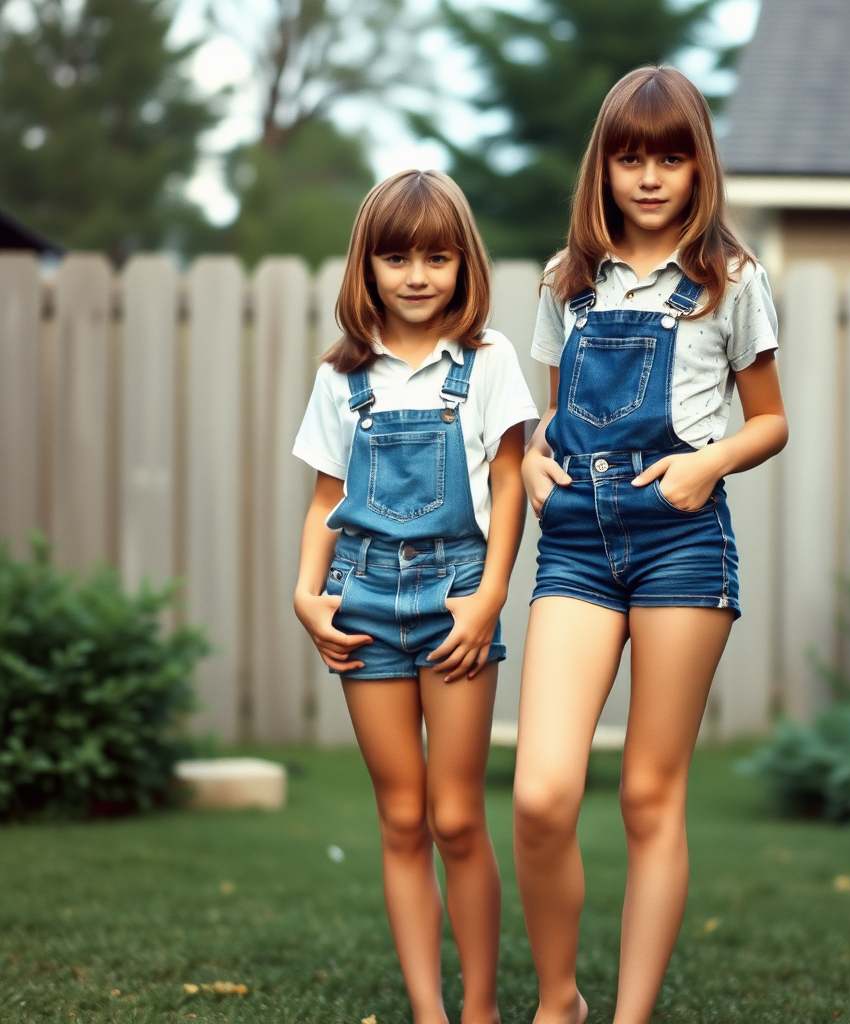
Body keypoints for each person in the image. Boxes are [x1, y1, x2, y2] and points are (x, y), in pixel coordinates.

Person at [513, 66, 789, 1024]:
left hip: (682, 547)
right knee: (544, 795)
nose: (649, 175)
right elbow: (556, 420)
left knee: (646, 794)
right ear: (604, 166)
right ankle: (561, 1004)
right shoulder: (566, 280)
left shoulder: (733, 281)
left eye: (670, 156)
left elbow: (770, 423)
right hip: (578, 545)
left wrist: (706, 464)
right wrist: (538, 459)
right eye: (630, 155)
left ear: (697, 165)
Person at [292, 169, 538, 1024]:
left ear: (465, 264)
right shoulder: (341, 377)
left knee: (457, 817)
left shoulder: (489, 361)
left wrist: (490, 597)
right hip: (360, 600)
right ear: (367, 267)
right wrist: (305, 591)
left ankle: (480, 1011)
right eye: (397, 257)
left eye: (437, 256)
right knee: (401, 817)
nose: (418, 275)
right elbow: (328, 499)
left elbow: (509, 484)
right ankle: (429, 1013)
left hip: (457, 595)